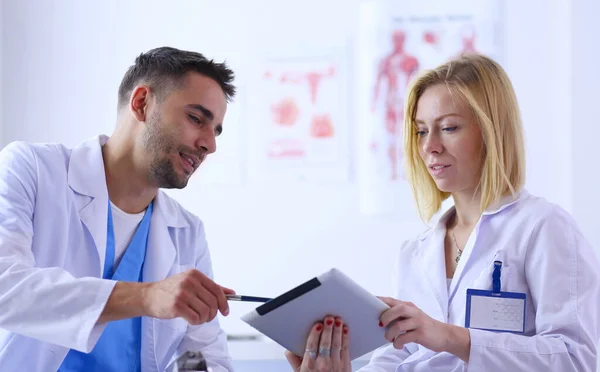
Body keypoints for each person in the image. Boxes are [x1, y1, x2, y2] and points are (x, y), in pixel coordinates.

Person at [285, 53, 600, 371]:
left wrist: (450, 337)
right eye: (422, 131)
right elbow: (402, 354)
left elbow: (577, 359)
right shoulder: (417, 251)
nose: (429, 146)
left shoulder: (543, 228)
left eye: (448, 128)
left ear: (492, 132)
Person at [0, 46, 238, 371]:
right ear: (141, 103)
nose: (210, 145)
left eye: (216, 131)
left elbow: (205, 357)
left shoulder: (187, 231)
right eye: (197, 119)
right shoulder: (31, 170)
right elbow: (5, 288)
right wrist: (145, 297)